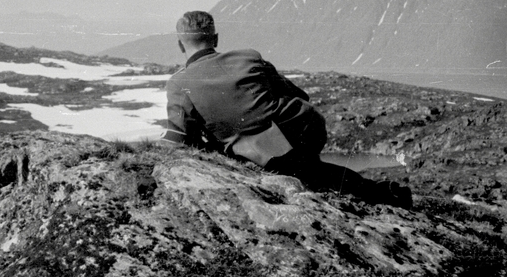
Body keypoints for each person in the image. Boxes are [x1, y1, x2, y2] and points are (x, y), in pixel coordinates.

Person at [163, 11, 412, 208]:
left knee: (308, 174)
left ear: (180, 45)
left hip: (261, 153)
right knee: (312, 170)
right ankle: (386, 192)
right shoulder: (249, 57)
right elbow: (296, 94)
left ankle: (383, 193)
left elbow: (179, 139)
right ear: (215, 38)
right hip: (301, 127)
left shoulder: (178, 84)